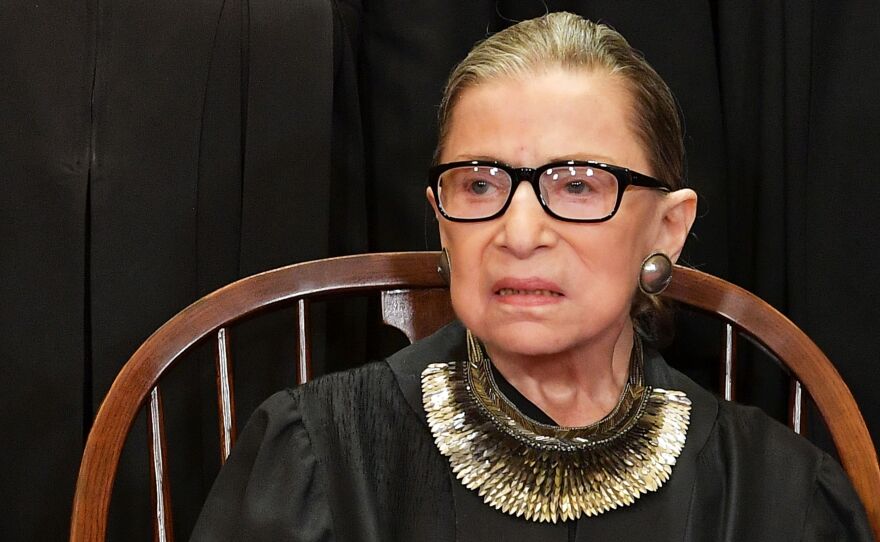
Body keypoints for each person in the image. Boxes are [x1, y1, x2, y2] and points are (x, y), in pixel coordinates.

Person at [190, 12, 873, 541]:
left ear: (668, 227)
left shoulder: (778, 493)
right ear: (440, 217)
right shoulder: (317, 456)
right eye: (480, 185)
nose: (518, 234)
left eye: (577, 185)